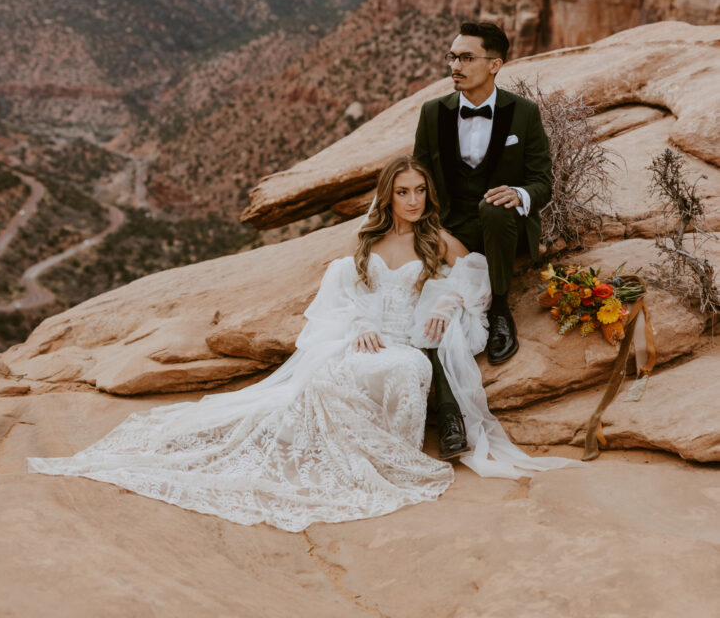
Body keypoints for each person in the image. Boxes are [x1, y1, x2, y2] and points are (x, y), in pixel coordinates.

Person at [28, 156, 573, 533]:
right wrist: (354, 328)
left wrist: (447, 303)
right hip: (367, 340)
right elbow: (338, 301)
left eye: (419, 191)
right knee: (340, 376)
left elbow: (474, 277)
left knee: (410, 372)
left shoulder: (438, 238)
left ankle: (388, 452)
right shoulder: (366, 243)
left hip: (409, 344)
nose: (412, 199)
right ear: (388, 196)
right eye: (402, 192)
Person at [414, 21, 552, 459]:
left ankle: (500, 307)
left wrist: (521, 194)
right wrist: (431, 233)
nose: (455, 65)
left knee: (497, 207)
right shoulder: (433, 112)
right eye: (452, 57)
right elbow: (418, 178)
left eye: (465, 57)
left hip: (501, 230)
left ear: (495, 64)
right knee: (430, 314)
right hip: (449, 232)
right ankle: (451, 419)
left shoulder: (523, 113)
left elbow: (542, 180)